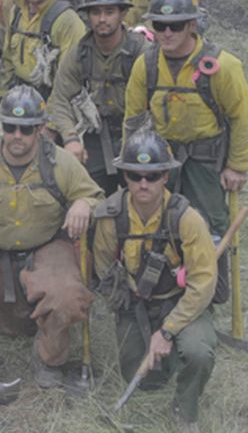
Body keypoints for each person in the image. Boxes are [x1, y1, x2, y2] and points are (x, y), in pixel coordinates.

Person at [0, 85, 103, 387]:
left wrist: (82, 204)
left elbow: (95, 196)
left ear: (40, 129)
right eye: (9, 127)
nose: (17, 136)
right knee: (13, 329)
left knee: (67, 300)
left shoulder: (60, 162)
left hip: (47, 250)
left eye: (26, 129)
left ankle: (50, 358)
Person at [124, 0, 248, 293]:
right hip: (160, 160)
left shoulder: (222, 66)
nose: (167, 33)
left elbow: (241, 115)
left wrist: (237, 166)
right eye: (160, 25)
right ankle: (165, 290)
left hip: (205, 161)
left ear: (192, 25)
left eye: (176, 25)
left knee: (209, 226)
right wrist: (131, 168)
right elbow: (133, 120)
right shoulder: (146, 64)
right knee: (160, 224)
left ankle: (210, 293)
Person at [93, 126, 217, 433]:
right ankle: (167, 353)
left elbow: (203, 285)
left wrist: (168, 330)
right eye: (135, 176)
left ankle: (185, 410)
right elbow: (104, 268)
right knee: (145, 379)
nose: (143, 183)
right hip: (136, 304)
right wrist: (119, 301)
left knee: (199, 353)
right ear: (125, 176)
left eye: (152, 176)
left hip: (180, 304)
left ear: (165, 176)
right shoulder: (112, 215)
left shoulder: (186, 219)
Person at [47, 0, 150, 194]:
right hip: (96, 136)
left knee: (144, 194)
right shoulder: (79, 54)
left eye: (109, 12)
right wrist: (70, 138)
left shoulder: (141, 51)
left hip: (138, 135)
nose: (102, 19)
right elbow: (61, 97)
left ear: (122, 14)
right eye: (96, 12)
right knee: (88, 194)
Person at [0, 0, 86, 100]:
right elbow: (7, 62)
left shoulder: (67, 21)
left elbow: (69, 80)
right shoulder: (16, 12)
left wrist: (52, 113)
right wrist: (3, 98)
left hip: (51, 98)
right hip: (17, 96)